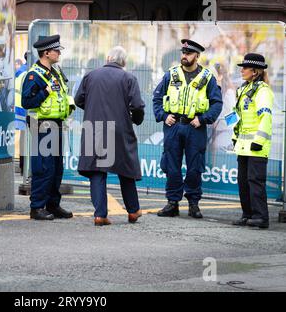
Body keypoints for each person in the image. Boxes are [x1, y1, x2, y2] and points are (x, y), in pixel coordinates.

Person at [74, 46, 145, 226]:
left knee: (97, 169)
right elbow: (137, 106)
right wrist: (135, 120)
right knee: (126, 169)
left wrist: (93, 109)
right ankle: (133, 211)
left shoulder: (91, 76)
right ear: (124, 63)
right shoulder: (129, 78)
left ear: (107, 58)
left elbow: (78, 100)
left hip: (93, 127)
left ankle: (100, 215)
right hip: (119, 128)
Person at [153, 39, 222, 218]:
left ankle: (193, 204)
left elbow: (216, 103)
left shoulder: (207, 78)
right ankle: (172, 203)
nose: (184, 56)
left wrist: (203, 119)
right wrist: (163, 115)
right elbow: (157, 98)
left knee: (194, 167)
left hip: (195, 127)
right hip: (174, 126)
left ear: (197, 56)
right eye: (183, 53)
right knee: (171, 166)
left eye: (189, 53)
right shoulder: (171, 74)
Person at [21, 34, 75, 220]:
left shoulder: (56, 72)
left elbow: (61, 94)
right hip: (42, 125)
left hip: (57, 124)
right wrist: (45, 92)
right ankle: (36, 207)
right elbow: (26, 102)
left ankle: (53, 204)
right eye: (56, 50)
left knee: (56, 168)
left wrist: (69, 105)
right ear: (46, 53)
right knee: (43, 167)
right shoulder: (33, 75)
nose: (59, 53)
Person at [231, 53, 273, 229]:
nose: (242, 70)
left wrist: (259, 141)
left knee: (255, 182)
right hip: (242, 145)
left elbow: (265, 117)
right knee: (243, 182)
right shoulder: (243, 90)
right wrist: (234, 137)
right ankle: (247, 214)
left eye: (245, 68)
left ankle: (261, 217)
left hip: (256, 146)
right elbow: (238, 117)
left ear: (254, 71)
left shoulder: (263, 91)